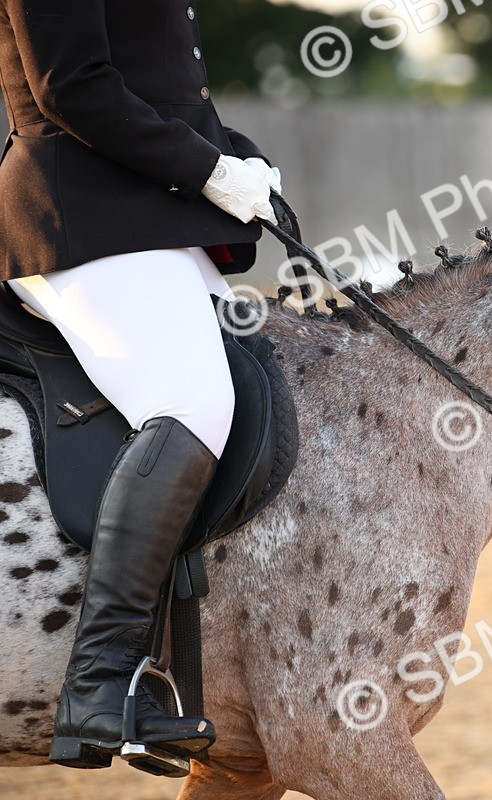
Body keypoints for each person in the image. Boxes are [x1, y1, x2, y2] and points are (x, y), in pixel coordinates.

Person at [0, 0, 279, 769]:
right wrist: (209, 170)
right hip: (78, 213)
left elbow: (162, 84)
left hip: (153, 216)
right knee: (191, 403)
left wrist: (240, 159)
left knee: (267, 377)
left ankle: (202, 666)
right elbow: (73, 86)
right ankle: (100, 683)